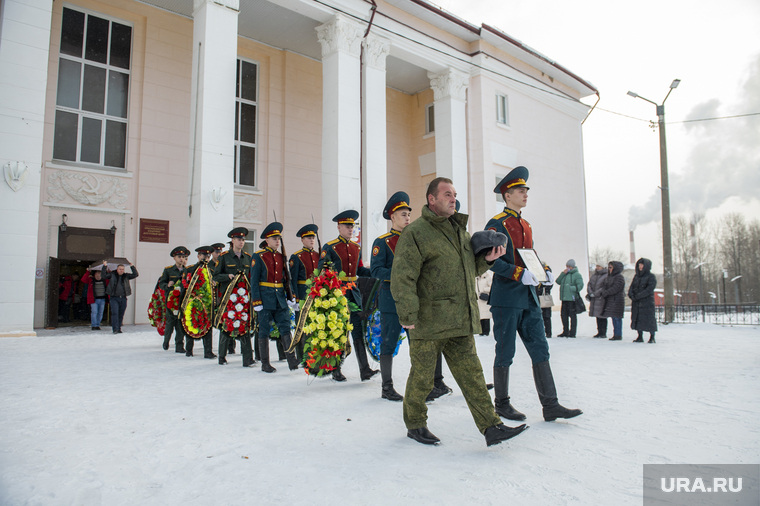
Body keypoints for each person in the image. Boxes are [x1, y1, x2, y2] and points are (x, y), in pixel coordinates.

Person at [392, 177, 527, 447]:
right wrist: (408, 315)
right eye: (446, 194)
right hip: (427, 322)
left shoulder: (459, 232)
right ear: (431, 199)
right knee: (422, 377)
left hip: (458, 320)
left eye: (454, 194)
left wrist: (485, 261)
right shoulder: (416, 233)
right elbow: (402, 277)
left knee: (473, 375)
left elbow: (468, 272)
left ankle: (491, 426)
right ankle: (416, 424)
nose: (453, 198)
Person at [485, 166, 582, 423]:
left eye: (526, 189)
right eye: (520, 190)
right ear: (507, 195)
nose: (525, 193)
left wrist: (545, 271)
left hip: (528, 296)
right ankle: (501, 403)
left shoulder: (526, 224)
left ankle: (550, 405)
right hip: (506, 297)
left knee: (541, 348)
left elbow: (531, 255)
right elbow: (490, 261)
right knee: (505, 350)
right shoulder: (497, 224)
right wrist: (519, 274)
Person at [319, 210, 379, 382]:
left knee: (358, 331)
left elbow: (359, 270)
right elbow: (322, 270)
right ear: (339, 227)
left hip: (354, 294)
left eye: (352, 226)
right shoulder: (330, 247)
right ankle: (336, 369)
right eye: (347, 226)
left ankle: (364, 369)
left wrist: (375, 272)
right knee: (338, 331)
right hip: (338, 294)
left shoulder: (356, 247)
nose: (350, 229)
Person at [370, 191, 412, 402]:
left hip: (413, 301)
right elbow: (376, 271)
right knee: (388, 342)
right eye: (403, 214)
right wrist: (399, 275)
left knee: (418, 342)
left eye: (408, 215)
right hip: (391, 300)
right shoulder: (382, 242)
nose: (407, 218)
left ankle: (423, 384)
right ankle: (387, 387)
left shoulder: (414, 240)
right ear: (392, 217)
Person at [250, 222, 299, 373]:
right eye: (274, 238)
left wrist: (290, 296)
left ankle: (292, 360)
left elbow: (286, 279)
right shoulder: (258, 256)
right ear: (267, 240)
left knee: (285, 328)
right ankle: (265, 363)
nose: (277, 241)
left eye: (278, 238)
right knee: (264, 330)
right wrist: (257, 301)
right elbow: (254, 281)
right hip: (265, 298)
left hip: (279, 298)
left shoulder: (280, 256)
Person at [213, 227, 255, 366]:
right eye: (239, 239)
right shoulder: (224, 257)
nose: (241, 242)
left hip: (244, 300)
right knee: (226, 327)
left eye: (243, 240)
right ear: (233, 240)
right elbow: (216, 276)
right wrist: (227, 276)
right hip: (228, 299)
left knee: (244, 325)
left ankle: (248, 358)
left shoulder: (248, 258)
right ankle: (222, 356)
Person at [289, 224, 320, 366]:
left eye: (313, 237)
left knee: (315, 326)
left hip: (316, 296)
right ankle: (302, 356)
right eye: (308, 238)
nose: (311, 240)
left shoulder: (318, 256)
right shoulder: (297, 257)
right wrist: (294, 297)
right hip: (303, 296)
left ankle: (314, 354)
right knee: (301, 327)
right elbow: (293, 280)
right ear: (302, 240)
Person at [182, 246, 217, 359]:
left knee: (208, 326)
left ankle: (208, 351)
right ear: (198, 256)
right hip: (193, 301)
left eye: (208, 256)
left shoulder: (212, 270)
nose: (206, 258)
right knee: (191, 323)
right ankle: (189, 349)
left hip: (207, 303)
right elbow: (184, 286)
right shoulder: (191, 269)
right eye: (203, 255)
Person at [158, 246, 190, 353]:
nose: (181, 259)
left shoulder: (188, 270)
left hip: (182, 301)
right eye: (179, 256)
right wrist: (167, 285)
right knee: (170, 324)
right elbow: (161, 283)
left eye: (184, 257)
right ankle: (166, 341)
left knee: (180, 325)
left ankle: (179, 346)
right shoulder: (168, 270)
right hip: (171, 302)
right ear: (174, 258)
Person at [102, 261, 139, 334]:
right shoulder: (112, 274)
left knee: (121, 313)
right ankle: (115, 329)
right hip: (114, 297)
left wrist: (132, 266)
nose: (121, 270)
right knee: (115, 313)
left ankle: (118, 328)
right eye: (120, 269)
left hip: (123, 298)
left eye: (122, 269)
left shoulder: (126, 276)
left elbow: (135, 274)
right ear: (117, 269)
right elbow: (104, 275)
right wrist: (104, 266)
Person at [629, 257, 657, 343]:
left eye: (642, 265)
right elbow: (632, 287)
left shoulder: (651, 276)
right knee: (637, 319)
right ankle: (639, 336)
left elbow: (649, 289)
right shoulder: (636, 276)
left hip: (647, 303)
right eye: (639, 265)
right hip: (636, 303)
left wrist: (639, 296)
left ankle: (652, 336)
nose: (640, 267)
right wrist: (631, 295)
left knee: (649, 320)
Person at [556, 259, 584, 338]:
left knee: (572, 316)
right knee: (563, 315)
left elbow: (580, 285)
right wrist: (562, 274)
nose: (568, 268)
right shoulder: (565, 274)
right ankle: (565, 331)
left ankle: (572, 332)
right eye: (567, 266)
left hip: (572, 298)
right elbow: (558, 281)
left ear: (573, 267)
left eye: (569, 266)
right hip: (564, 298)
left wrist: (573, 288)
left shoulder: (577, 275)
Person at [600, 261, 625, 340]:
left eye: (611, 267)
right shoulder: (609, 277)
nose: (609, 269)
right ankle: (616, 334)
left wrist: (607, 292)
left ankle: (618, 334)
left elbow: (616, 288)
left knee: (617, 318)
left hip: (617, 300)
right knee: (613, 318)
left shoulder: (619, 277)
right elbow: (604, 285)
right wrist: (604, 291)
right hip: (611, 300)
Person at [587, 263, 609, 338]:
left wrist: (596, 293)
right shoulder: (594, 275)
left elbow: (604, 287)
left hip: (601, 298)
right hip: (595, 298)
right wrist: (590, 292)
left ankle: (603, 332)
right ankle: (599, 331)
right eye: (597, 266)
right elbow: (589, 284)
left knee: (602, 315)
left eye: (599, 266)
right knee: (597, 315)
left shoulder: (606, 275)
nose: (597, 267)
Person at [536, 264, 553, 338]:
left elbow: (550, 283)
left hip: (544, 298)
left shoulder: (548, 275)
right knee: (539, 317)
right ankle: (541, 332)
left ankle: (548, 333)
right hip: (538, 298)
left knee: (546, 317)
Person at [476, 270, 493, 336]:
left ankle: (486, 332)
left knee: (486, 317)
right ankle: (481, 332)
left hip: (484, 300)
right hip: (479, 301)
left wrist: (484, 290)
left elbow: (492, 287)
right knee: (480, 316)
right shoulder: (476, 278)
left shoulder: (487, 277)